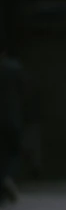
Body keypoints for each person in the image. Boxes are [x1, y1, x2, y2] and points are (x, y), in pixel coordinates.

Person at [0, 51, 24, 202]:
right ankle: (7, 178)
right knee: (12, 152)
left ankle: (4, 180)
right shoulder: (14, 70)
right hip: (11, 118)